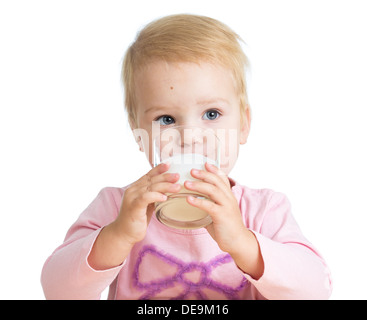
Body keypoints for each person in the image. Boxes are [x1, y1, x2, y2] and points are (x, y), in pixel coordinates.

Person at [41, 14, 332, 300]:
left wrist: (244, 244)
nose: (190, 136)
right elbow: (57, 291)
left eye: (212, 114)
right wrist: (116, 236)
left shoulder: (264, 211)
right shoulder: (117, 207)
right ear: (138, 133)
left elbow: (316, 291)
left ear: (243, 124)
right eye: (166, 119)